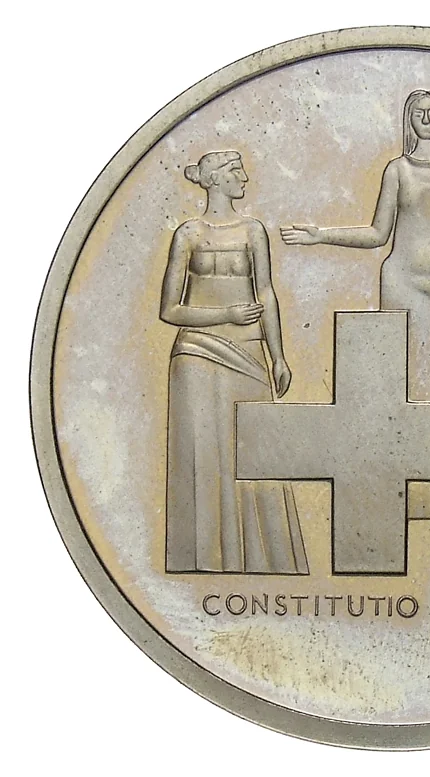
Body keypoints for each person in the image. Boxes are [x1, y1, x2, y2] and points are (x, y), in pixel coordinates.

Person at [281, 89, 430, 519]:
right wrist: (321, 235)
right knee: (402, 383)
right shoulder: (397, 170)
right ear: (409, 120)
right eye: (418, 113)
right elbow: (377, 234)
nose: (426, 119)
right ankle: (405, 499)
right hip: (402, 279)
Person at [160, 150, 308, 574]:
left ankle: (263, 561)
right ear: (213, 180)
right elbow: (169, 310)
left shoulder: (253, 230)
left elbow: (266, 293)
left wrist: (278, 356)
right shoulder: (188, 234)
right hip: (197, 352)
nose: (243, 176)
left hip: (249, 351)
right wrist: (225, 315)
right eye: (234, 171)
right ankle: (201, 559)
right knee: (202, 454)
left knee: (254, 452)